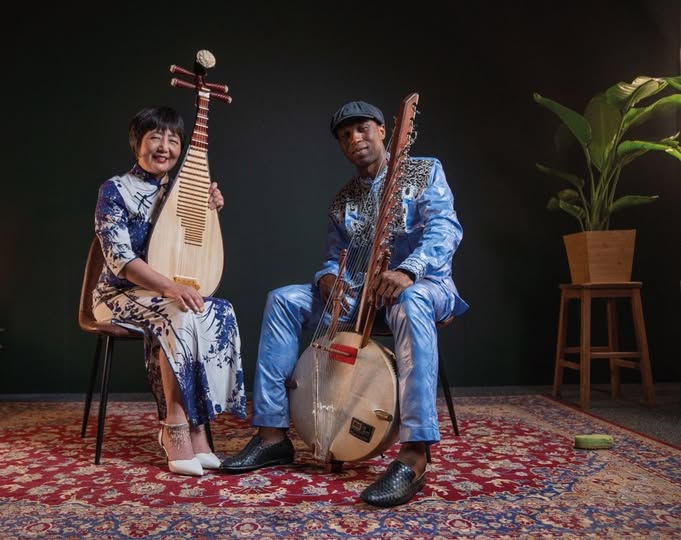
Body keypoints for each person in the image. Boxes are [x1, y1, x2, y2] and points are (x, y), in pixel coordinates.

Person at [220, 100, 468, 507]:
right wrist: (328, 280)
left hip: (426, 286)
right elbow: (334, 257)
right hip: (360, 297)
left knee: (409, 300)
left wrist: (408, 270)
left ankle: (414, 453)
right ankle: (272, 435)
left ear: (383, 131)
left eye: (362, 129)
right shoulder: (343, 201)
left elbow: (445, 228)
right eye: (345, 135)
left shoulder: (425, 171)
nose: (355, 139)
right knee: (282, 299)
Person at [92, 105, 246, 477]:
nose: (164, 146)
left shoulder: (183, 191)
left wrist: (211, 211)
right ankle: (176, 427)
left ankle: (199, 425)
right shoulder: (115, 190)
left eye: (173, 139)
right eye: (155, 137)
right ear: (137, 143)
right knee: (177, 312)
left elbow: (189, 244)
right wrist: (173, 288)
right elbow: (120, 260)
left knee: (219, 310)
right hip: (116, 297)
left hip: (161, 296)